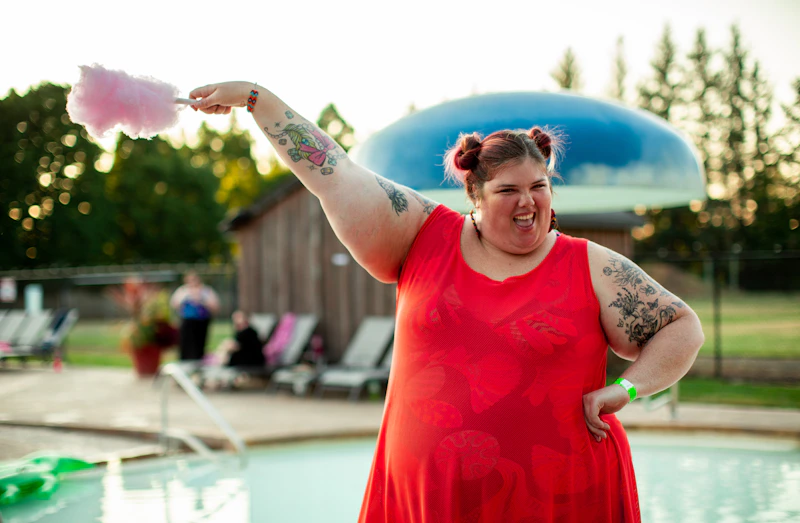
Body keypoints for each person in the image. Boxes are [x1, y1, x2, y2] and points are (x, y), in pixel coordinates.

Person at [187, 82, 704, 522]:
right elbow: (333, 171)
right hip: (426, 501)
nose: (528, 202)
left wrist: (627, 390)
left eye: (539, 186)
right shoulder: (421, 234)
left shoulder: (590, 266)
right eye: (508, 191)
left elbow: (681, 327)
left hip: (561, 498)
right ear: (474, 197)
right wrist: (258, 99)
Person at [169, 271, 220, 362]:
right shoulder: (183, 291)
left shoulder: (206, 291)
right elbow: (174, 304)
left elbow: (214, 305)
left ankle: (198, 360)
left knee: (199, 343)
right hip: (187, 321)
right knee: (186, 342)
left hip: (201, 321)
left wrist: (201, 300)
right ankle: (185, 360)